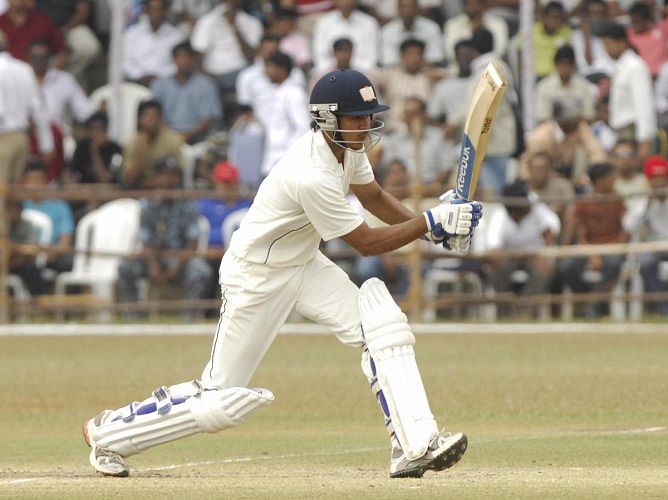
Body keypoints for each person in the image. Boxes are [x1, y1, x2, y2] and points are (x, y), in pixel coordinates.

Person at [82, 68, 481, 479]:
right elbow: (366, 243)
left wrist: (432, 230)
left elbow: (373, 196)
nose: (366, 125)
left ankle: (414, 445)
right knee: (220, 400)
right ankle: (109, 434)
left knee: (383, 327)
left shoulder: (349, 146)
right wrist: (431, 221)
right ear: (327, 118)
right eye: (357, 117)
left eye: (368, 116)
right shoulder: (310, 174)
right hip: (256, 276)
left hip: (303, 263)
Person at [116, 155, 214, 319]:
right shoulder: (148, 204)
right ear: (156, 178)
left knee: (201, 271)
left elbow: (192, 242)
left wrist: (176, 266)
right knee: (125, 267)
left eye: (173, 175)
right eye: (164, 175)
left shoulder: (187, 204)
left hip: (180, 258)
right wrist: (153, 264)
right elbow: (145, 239)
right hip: (153, 258)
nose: (168, 180)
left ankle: (188, 319)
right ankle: (134, 316)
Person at [560, 162, 629, 317]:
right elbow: (581, 235)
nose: (614, 180)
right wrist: (592, 253)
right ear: (600, 180)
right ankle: (586, 302)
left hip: (613, 247)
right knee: (567, 267)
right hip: (588, 248)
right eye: (611, 177)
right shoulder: (584, 203)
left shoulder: (619, 201)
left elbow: (626, 230)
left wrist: (615, 248)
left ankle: (594, 305)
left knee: (613, 263)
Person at [486, 180, 560, 317]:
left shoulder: (536, 207)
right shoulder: (499, 216)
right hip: (509, 256)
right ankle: (504, 313)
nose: (528, 205)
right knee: (495, 266)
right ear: (513, 211)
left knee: (545, 269)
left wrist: (546, 256)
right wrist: (500, 257)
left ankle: (524, 313)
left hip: (534, 255)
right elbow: (494, 249)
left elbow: (550, 232)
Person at [0, 29, 53, 185]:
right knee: (16, 194)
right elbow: (38, 109)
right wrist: (47, 144)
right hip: (21, 139)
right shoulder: (24, 69)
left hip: (2, 137)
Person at [600, 21, 657, 161]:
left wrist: (645, 139)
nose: (606, 50)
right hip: (621, 130)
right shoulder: (621, 67)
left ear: (622, 42)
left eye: (608, 44)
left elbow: (644, 103)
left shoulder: (635, 66)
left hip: (633, 130)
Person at [150, 41, 222, 144]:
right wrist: (174, 137)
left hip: (199, 138)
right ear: (173, 60)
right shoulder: (160, 85)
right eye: (180, 57)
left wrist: (187, 136)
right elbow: (155, 116)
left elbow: (208, 118)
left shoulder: (207, 84)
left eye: (187, 57)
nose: (184, 61)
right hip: (166, 137)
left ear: (192, 60)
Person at [122, 99, 185, 188]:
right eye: (147, 116)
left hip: (169, 194)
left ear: (160, 119)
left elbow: (179, 176)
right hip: (140, 192)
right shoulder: (132, 143)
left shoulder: (173, 140)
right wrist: (141, 151)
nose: (151, 120)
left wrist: (163, 181)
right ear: (139, 119)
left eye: (155, 116)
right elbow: (129, 179)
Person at [122, 0, 184, 86]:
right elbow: (125, 61)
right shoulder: (132, 34)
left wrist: (159, 77)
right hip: (136, 82)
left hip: (166, 84)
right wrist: (140, 76)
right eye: (153, 10)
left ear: (166, 12)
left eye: (159, 10)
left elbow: (178, 64)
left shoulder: (176, 36)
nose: (156, 14)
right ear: (146, 11)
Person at [534, 45, 598, 124]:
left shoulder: (583, 86)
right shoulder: (545, 87)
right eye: (561, 64)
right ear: (556, 64)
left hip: (578, 127)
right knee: (536, 136)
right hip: (552, 128)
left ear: (573, 66)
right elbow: (543, 117)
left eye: (568, 64)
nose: (564, 68)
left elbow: (589, 116)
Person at [637, 155, 668, 316]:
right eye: (655, 178)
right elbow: (632, 226)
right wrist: (647, 206)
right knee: (645, 264)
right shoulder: (644, 200)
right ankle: (663, 307)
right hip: (654, 247)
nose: (659, 182)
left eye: (662, 178)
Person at [379, 0, 444, 67]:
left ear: (418, 9)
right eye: (404, 7)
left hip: (426, 71)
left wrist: (414, 65)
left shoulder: (432, 28)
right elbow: (388, 61)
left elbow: (436, 57)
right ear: (397, 9)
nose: (408, 11)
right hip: (396, 72)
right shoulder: (387, 31)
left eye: (411, 7)